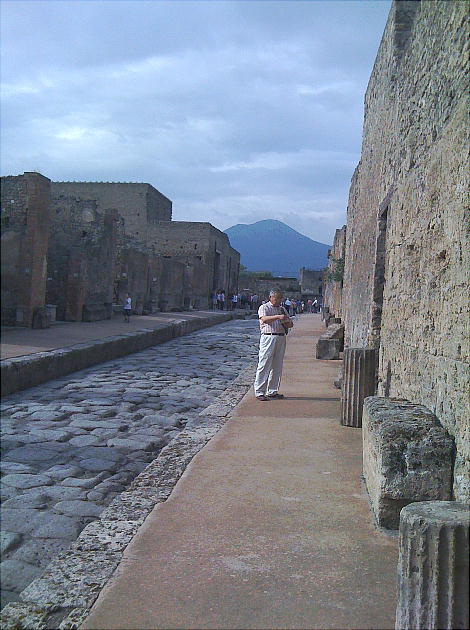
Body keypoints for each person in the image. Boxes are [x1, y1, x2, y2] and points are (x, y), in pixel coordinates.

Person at [254, 289, 293, 401]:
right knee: (264, 363)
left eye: (280, 298)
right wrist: (277, 317)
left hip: (280, 336)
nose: (278, 301)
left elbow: (290, 324)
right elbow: (264, 319)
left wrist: (286, 322)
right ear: (270, 298)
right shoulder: (264, 307)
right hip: (268, 337)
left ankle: (272, 390)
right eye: (276, 298)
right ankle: (259, 391)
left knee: (277, 365)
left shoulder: (282, 309)